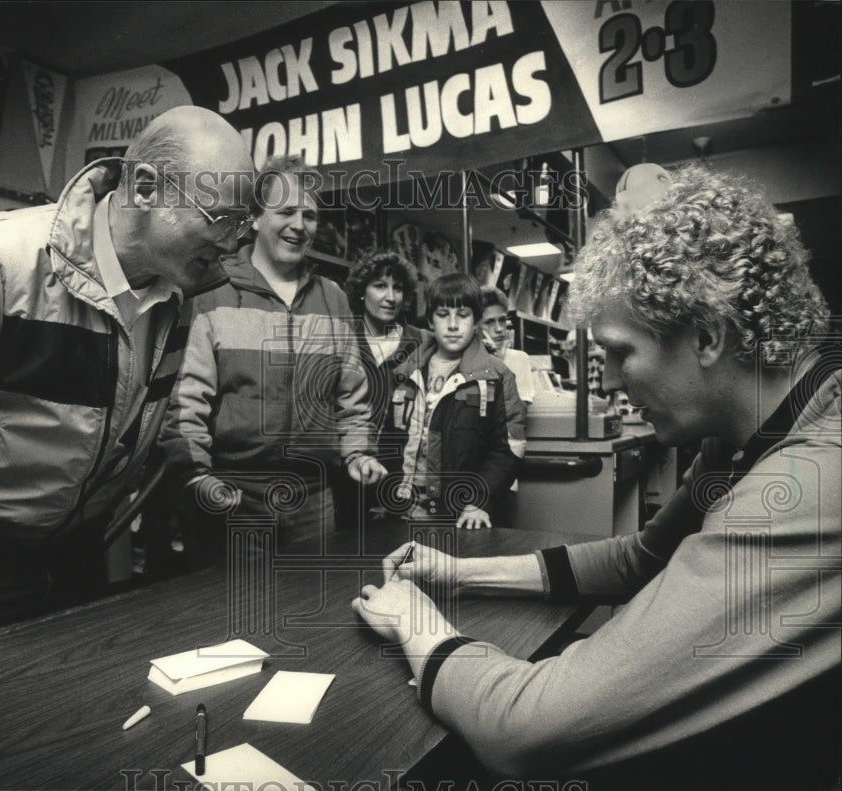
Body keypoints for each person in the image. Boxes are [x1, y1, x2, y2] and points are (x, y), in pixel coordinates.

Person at [352, 164, 840, 788]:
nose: (608, 379)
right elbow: (641, 558)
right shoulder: (750, 428)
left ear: (708, 337)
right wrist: (459, 572)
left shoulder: (810, 479)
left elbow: (526, 730)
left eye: (619, 351)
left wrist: (413, 621)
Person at [0, 106, 255, 638]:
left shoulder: (177, 291)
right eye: (221, 219)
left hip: (77, 555)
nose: (231, 244)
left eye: (242, 226)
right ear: (148, 189)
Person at [166, 155, 386, 554]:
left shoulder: (333, 298)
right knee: (228, 612)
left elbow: (353, 399)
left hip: (314, 500)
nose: (300, 226)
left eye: (310, 215)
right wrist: (196, 475)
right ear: (254, 217)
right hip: (232, 498)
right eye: (286, 211)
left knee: (310, 609)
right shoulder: (213, 291)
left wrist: (357, 453)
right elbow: (186, 400)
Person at [386, 272, 526, 530]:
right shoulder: (405, 372)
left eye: (462, 315)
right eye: (442, 315)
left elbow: (509, 449)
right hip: (407, 507)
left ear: (476, 322)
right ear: (430, 320)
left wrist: (478, 501)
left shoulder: (496, 376)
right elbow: (390, 438)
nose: (452, 325)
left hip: (464, 512)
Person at [333, 251, 427, 526]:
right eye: (380, 285)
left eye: (398, 288)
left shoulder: (422, 341)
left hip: (401, 477)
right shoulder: (342, 335)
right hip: (347, 473)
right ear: (362, 290)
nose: (391, 296)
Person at [478, 286, 536, 406]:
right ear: (475, 326)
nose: (499, 329)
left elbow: (518, 413)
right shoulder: (467, 360)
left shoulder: (519, 359)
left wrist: (499, 366)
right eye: (489, 322)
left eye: (502, 320)